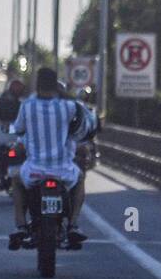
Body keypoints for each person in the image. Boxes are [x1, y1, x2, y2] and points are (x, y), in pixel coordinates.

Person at [7, 67, 96, 250]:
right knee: (80, 179)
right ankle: (73, 224)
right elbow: (84, 124)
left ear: (37, 85)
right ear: (56, 85)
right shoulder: (68, 107)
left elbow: (18, 129)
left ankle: (21, 224)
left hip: (34, 170)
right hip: (63, 170)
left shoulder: (28, 106)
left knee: (16, 180)